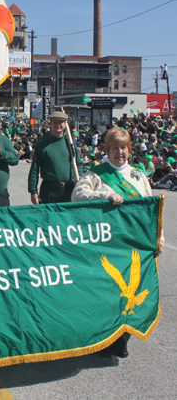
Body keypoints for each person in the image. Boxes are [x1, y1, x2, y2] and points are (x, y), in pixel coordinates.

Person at [71, 127, 164, 358]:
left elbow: (153, 211)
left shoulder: (139, 176)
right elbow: (77, 196)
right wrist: (105, 196)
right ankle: (105, 339)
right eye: (114, 148)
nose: (119, 152)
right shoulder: (96, 174)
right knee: (110, 293)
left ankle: (123, 338)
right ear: (107, 150)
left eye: (123, 147)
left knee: (133, 293)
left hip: (136, 245)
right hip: (110, 246)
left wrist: (158, 238)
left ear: (129, 150)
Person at [28, 110, 83, 204]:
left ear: (65, 125)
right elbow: (34, 169)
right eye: (55, 122)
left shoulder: (70, 144)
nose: (58, 125)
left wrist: (78, 177)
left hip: (68, 190)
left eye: (61, 122)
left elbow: (79, 164)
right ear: (51, 124)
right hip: (49, 190)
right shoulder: (42, 145)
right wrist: (33, 191)